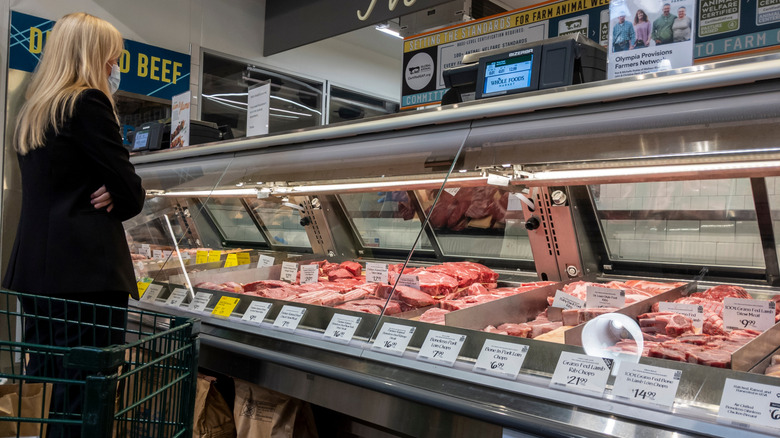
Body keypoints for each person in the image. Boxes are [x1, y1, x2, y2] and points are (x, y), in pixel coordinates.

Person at [2, 12, 145, 437]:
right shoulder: (88, 102)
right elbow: (131, 191)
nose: (112, 69)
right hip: (84, 278)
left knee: (47, 386)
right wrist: (118, 190)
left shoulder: (36, 110)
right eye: (110, 59)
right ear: (92, 56)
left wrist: (111, 188)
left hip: (37, 273)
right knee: (83, 396)